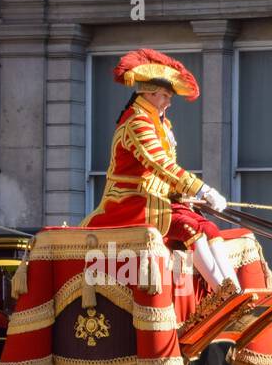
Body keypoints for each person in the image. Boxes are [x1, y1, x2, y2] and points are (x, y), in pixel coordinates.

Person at [83, 49, 238, 292]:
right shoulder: (136, 122)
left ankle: (235, 291)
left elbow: (163, 175)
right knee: (191, 229)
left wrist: (183, 196)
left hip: (155, 200)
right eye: (165, 95)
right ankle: (223, 292)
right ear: (148, 93)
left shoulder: (160, 124)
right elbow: (161, 165)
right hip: (129, 202)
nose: (169, 102)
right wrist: (202, 190)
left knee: (209, 228)